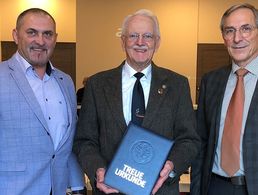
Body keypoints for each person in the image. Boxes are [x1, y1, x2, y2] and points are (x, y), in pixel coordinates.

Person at [73, 9, 200, 195]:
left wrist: (171, 167)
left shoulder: (177, 85)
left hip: (160, 189)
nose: (140, 42)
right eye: (133, 35)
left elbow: (189, 140)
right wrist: (98, 170)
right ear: (122, 41)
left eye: (148, 36)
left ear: (157, 42)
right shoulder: (97, 85)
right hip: (110, 189)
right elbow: (84, 141)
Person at [0, 8, 86, 195]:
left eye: (47, 34)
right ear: (16, 35)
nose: (40, 41)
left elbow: (67, 143)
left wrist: (78, 184)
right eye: (32, 32)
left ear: (55, 38)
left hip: (58, 188)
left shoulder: (66, 81)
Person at [190, 3, 258, 195]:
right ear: (223, 37)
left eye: (246, 29)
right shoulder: (211, 81)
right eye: (230, 31)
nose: (237, 38)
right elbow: (200, 143)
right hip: (215, 186)